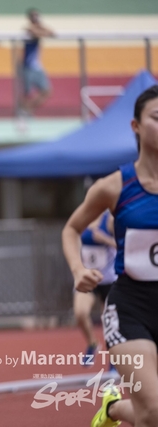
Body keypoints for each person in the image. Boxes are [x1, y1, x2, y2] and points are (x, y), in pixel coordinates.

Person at [61, 85, 158, 427]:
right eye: (157, 117)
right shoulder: (114, 186)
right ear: (136, 126)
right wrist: (78, 269)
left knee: (149, 415)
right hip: (131, 307)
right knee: (153, 412)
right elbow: (71, 229)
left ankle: (113, 409)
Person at [75, 210, 116, 365]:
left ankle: (114, 359)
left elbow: (123, 245)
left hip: (109, 279)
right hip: (89, 277)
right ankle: (92, 343)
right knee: (80, 312)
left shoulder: (110, 219)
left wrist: (105, 239)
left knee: (109, 322)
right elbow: (73, 238)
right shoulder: (84, 216)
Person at [19, 8, 54, 117]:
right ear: (29, 18)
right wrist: (40, 30)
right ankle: (22, 112)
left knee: (47, 91)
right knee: (27, 93)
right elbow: (36, 34)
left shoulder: (39, 27)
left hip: (37, 67)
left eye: (37, 16)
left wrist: (40, 27)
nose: (36, 18)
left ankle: (28, 109)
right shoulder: (28, 30)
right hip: (28, 67)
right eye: (33, 16)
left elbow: (51, 33)